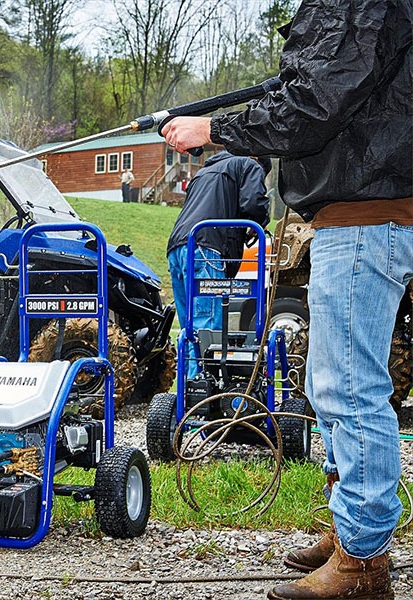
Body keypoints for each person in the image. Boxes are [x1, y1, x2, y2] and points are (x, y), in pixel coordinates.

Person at [162, 1, 412, 598]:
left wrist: (213, 129)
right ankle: (350, 526)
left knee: (346, 385)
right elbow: (321, 87)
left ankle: (364, 561)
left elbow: (312, 106)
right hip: (360, 211)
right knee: (335, 383)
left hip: (363, 215)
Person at [166, 151, 270, 378]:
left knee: (188, 327)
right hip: (206, 247)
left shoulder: (203, 172)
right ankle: (203, 395)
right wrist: (259, 223)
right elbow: (254, 203)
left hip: (178, 246)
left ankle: (185, 391)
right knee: (208, 327)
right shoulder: (249, 164)